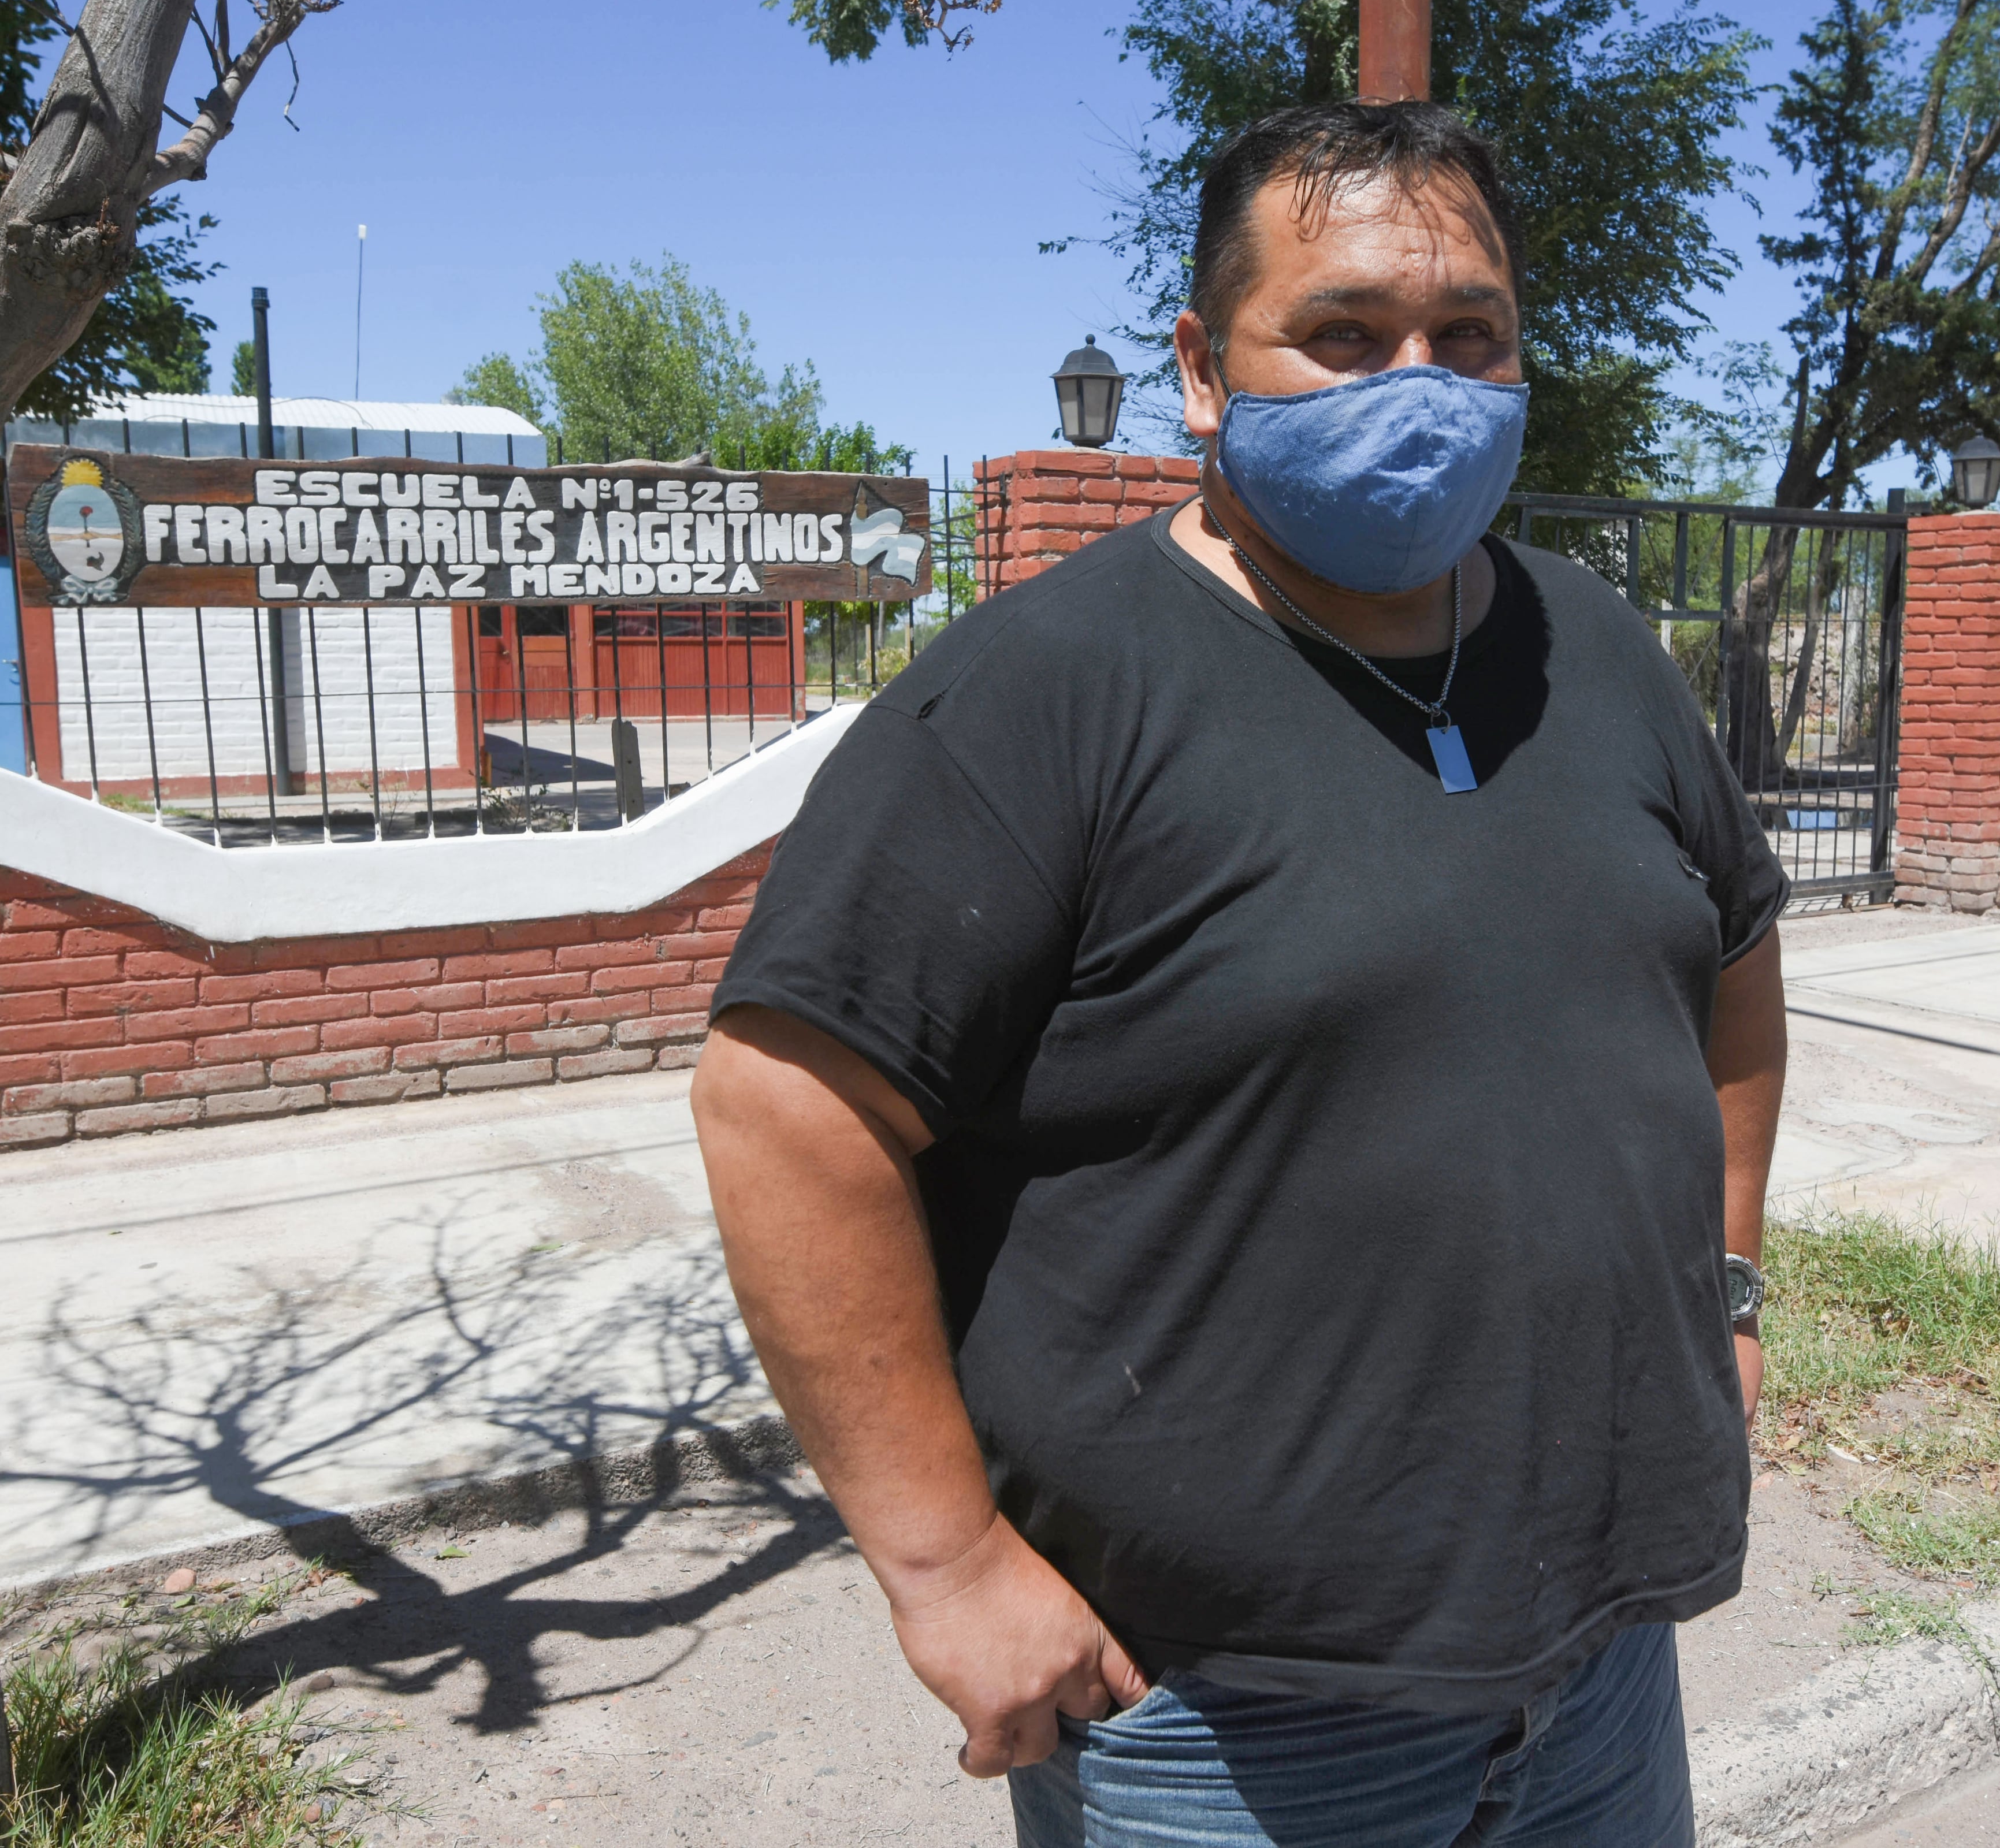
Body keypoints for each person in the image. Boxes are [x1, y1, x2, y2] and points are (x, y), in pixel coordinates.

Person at [689, 99, 1789, 1847]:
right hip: (1226, 1723)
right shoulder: (1046, 695)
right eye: (1341, 335)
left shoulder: (1597, 650)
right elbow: (786, 1108)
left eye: (1467, 335)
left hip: (1599, 1664)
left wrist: (1721, 1287)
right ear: (1206, 368)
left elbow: (1731, 958)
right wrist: (947, 1562)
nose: (1414, 383)